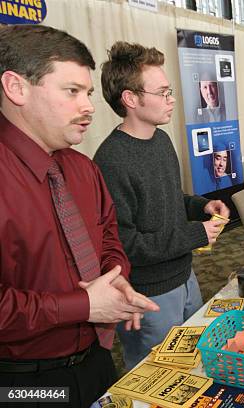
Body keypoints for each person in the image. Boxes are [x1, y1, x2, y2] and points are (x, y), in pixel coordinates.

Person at [0, 26, 158, 407]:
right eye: (72, 92)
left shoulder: (83, 169)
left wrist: (115, 280)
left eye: (87, 93)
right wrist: (84, 306)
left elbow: (108, 238)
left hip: (97, 361)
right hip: (24, 385)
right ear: (16, 88)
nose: (88, 106)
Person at [94, 42, 229, 369]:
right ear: (130, 99)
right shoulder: (111, 161)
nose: (171, 100)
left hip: (186, 278)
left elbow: (171, 200)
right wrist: (196, 235)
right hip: (147, 295)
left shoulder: (161, 139)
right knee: (157, 375)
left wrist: (201, 206)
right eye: (163, 92)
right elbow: (126, 244)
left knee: (195, 365)